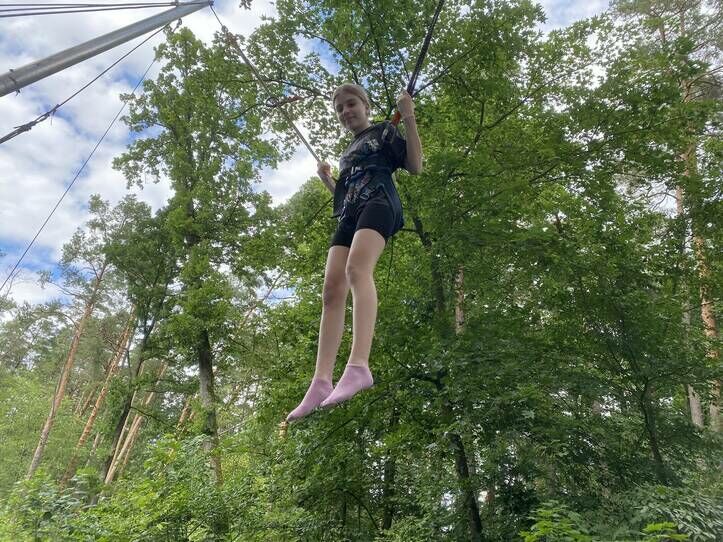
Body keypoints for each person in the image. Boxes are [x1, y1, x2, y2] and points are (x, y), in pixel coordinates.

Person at [286, 83, 423, 422]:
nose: (346, 112)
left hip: (379, 201)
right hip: (353, 212)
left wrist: (408, 116)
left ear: (365, 106)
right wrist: (327, 180)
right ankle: (321, 381)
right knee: (331, 291)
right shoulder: (348, 151)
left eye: (351, 104)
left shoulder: (384, 132)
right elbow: (345, 195)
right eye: (340, 109)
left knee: (357, 271)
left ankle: (359, 365)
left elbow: (415, 165)